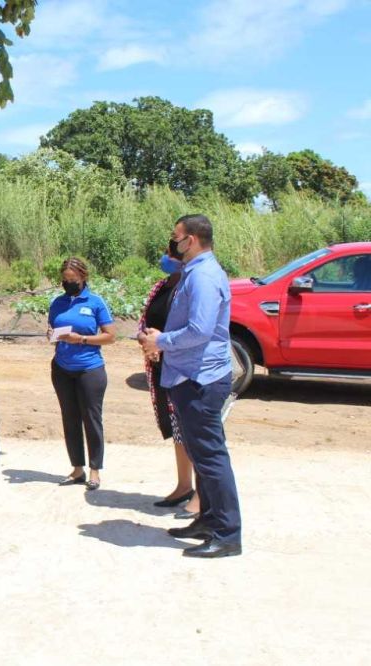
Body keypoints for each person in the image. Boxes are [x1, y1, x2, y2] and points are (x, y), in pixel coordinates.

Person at [142, 214, 243, 559]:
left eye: (176, 237)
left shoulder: (203, 276)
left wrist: (161, 340)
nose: (172, 243)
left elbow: (200, 330)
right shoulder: (195, 272)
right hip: (188, 375)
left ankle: (227, 534)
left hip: (200, 379)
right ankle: (209, 520)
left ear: (192, 240)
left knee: (211, 458)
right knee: (201, 455)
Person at [139, 251, 200, 516]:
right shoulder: (161, 286)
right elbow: (145, 321)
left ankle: (202, 493)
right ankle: (184, 486)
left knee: (193, 431)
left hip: (184, 368)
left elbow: (194, 330)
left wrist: (163, 344)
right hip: (161, 365)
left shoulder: (191, 286)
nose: (166, 257)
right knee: (177, 429)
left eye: (171, 253)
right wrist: (147, 343)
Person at [48, 258, 117, 491]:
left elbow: (110, 336)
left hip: (90, 369)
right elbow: (53, 329)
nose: (68, 283)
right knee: (70, 419)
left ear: (83, 277)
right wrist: (51, 335)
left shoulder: (95, 302)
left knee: (91, 419)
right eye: (65, 279)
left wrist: (82, 339)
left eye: (73, 279)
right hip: (62, 369)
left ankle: (95, 470)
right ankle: (77, 469)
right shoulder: (57, 303)